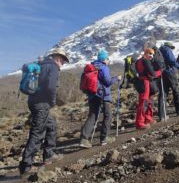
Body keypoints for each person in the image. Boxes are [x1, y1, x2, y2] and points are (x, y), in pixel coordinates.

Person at [19, 48, 69, 177]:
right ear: (58, 58)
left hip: (34, 101)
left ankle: (49, 154)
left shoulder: (41, 64)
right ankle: (26, 166)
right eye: (63, 61)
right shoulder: (53, 67)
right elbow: (51, 87)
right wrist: (52, 102)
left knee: (51, 124)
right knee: (37, 132)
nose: (63, 64)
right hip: (42, 104)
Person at [79, 49, 122, 148]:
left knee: (92, 116)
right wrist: (116, 78)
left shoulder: (93, 66)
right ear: (104, 59)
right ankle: (104, 139)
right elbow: (107, 82)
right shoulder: (103, 67)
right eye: (107, 58)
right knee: (108, 116)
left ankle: (84, 139)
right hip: (103, 95)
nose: (108, 60)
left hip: (92, 95)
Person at [135, 48, 159, 129]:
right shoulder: (145, 61)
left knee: (148, 101)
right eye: (150, 54)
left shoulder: (138, 61)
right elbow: (151, 72)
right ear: (145, 53)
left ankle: (148, 119)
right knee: (144, 102)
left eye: (152, 54)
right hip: (145, 82)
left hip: (141, 82)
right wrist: (159, 72)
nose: (151, 56)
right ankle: (140, 123)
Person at [159, 42, 179, 119]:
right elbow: (172, 60)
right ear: (169, 46)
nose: (172, 49)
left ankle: (162, 115)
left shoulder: (159, 51)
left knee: (163, 93)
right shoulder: (167, 49)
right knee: (176, 91)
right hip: (170, 72)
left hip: (161, 73)